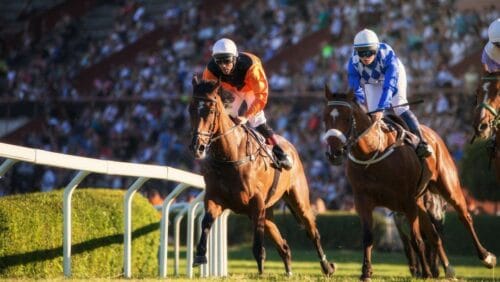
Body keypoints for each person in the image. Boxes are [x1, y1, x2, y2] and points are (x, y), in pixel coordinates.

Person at [202, 38, 292, 169]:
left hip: (250, 89)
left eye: (227, 61)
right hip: (231, 90)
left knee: (256, 119)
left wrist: (246, 116)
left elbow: (261, 96)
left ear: (235, 58)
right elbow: (209, 94)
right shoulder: (210, 70)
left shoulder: (251, 66)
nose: (223, 66)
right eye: (219, 61)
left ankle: (280, 152)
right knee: (226, 115)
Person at [346, 28, 432, 158]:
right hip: (371, 81)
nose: (365, 57)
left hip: (391, 78)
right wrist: (363, 105)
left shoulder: (387, 56)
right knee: (372, 114)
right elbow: (356, 89)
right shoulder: (353, 63)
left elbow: (389, 86)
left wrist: (381, 108)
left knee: (400, 106)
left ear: (376, 49)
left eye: (369, 52)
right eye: (361, 53)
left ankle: (422, 143)